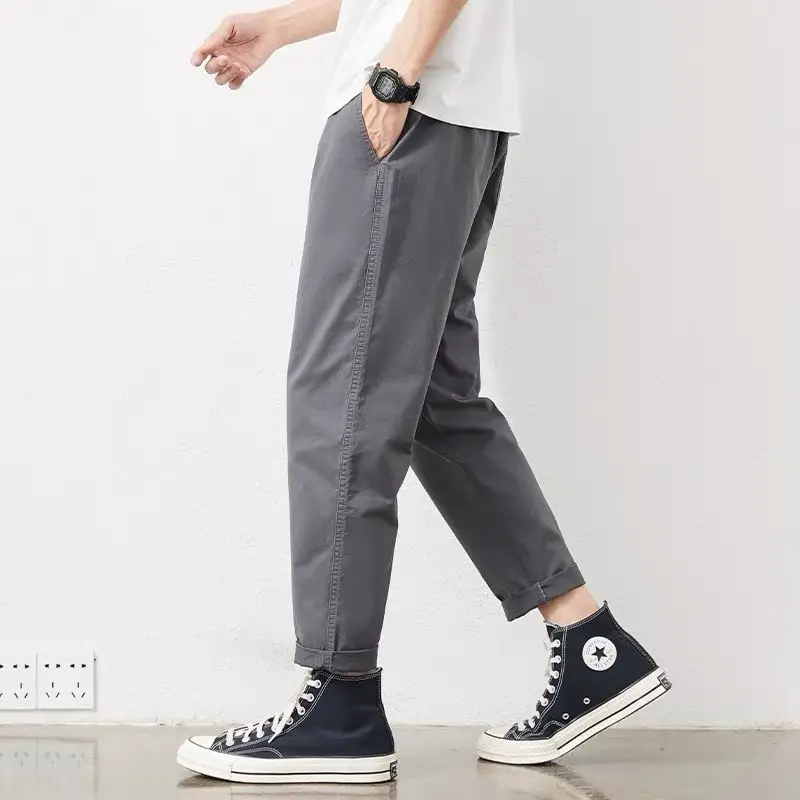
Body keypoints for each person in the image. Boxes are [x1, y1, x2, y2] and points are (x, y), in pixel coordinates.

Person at [176, 0, 670, 785]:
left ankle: (340, 701)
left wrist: (396, 70)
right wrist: (284, 26)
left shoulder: (403, 82)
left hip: (411, 101)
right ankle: (589, 641)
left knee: (341, 396)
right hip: (453, 110)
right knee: (435, 397)